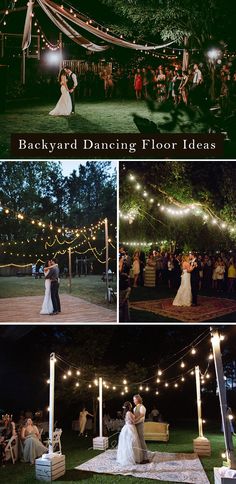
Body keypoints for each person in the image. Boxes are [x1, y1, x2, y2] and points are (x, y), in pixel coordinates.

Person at [116, 401, 142, 466]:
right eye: (130, 405)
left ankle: (128, 457)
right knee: (132, 442)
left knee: (127, 443)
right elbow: (133, 421)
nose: (131, 406)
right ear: (129, 406)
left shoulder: (126, 413)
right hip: (130, 428)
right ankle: (131, 458)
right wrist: (140, 418)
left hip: (127, 427)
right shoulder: (129, 413)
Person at [133, 394, 149, 464]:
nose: (133, 401)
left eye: (134, 399)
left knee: (142, 441)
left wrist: (135, 421)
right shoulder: (134, 408)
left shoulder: (142, 407)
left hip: (139, 425)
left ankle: (146, 457)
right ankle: (139, 456)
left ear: (137, 399)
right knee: (137, 441)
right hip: (135, 426)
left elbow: (142, 418)